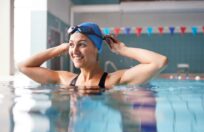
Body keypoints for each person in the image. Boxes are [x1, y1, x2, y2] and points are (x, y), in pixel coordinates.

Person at [18, 22, 168, 88]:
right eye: (72, 45)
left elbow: (160, 61)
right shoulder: (65, 79)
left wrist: (123, 50)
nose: (75, 51)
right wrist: (61, 48)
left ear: (97, 48)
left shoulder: (113, 81)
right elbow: (23, 66)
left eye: (82, 44)